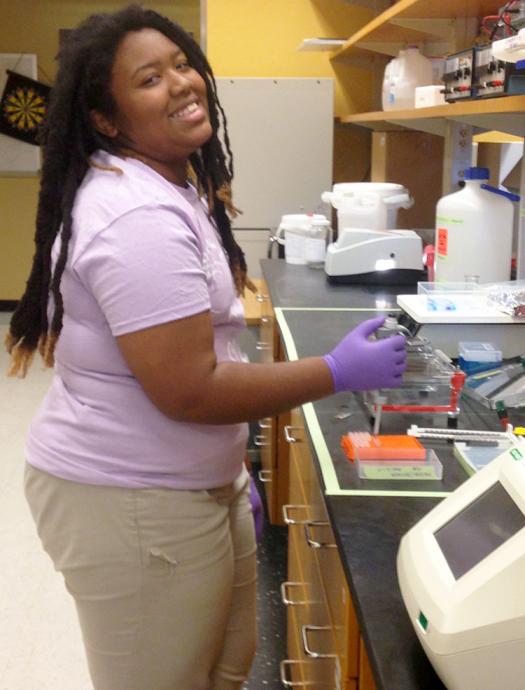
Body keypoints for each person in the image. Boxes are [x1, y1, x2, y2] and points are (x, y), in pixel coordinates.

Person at [5, 5, 407, 690]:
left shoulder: (168, 183)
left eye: (182, 63)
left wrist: (227, 477)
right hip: (130, 498)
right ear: (106, 119)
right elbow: (188, 389)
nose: (182, 84)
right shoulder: (136, 215)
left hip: (189, 485)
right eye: (150, 79)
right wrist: (334, 371)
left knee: (223, 666)